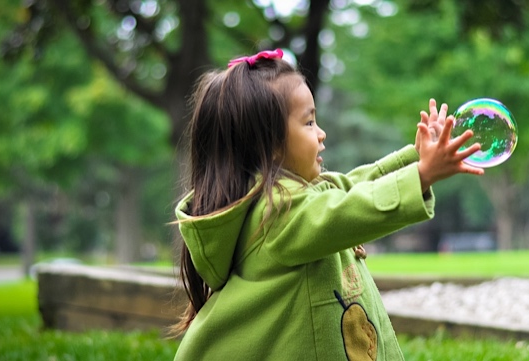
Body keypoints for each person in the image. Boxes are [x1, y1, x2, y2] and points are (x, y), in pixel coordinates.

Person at [171, 48, 484, 360]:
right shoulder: (276, 213)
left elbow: (353, 185)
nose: (321, 134)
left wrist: (416, 157)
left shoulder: (296, 197)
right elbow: (345, 210)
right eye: (308, 123)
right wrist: (422, 174)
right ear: (271, 145)